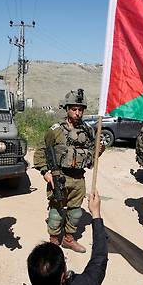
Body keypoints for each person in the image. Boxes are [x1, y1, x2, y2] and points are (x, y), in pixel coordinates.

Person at [32, 88, 99, 253]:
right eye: (74, 109)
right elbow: (42, 151)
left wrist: (99, 149)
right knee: (56, 212)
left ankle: (69, 239)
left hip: (78, 178)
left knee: (76, 212)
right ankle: (54, 242)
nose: (77, 113)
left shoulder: (88, 130)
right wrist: (46, 174)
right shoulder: (56, 130)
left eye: (80, 109)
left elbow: (93, 151)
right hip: (59, 176)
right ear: (67, 109)